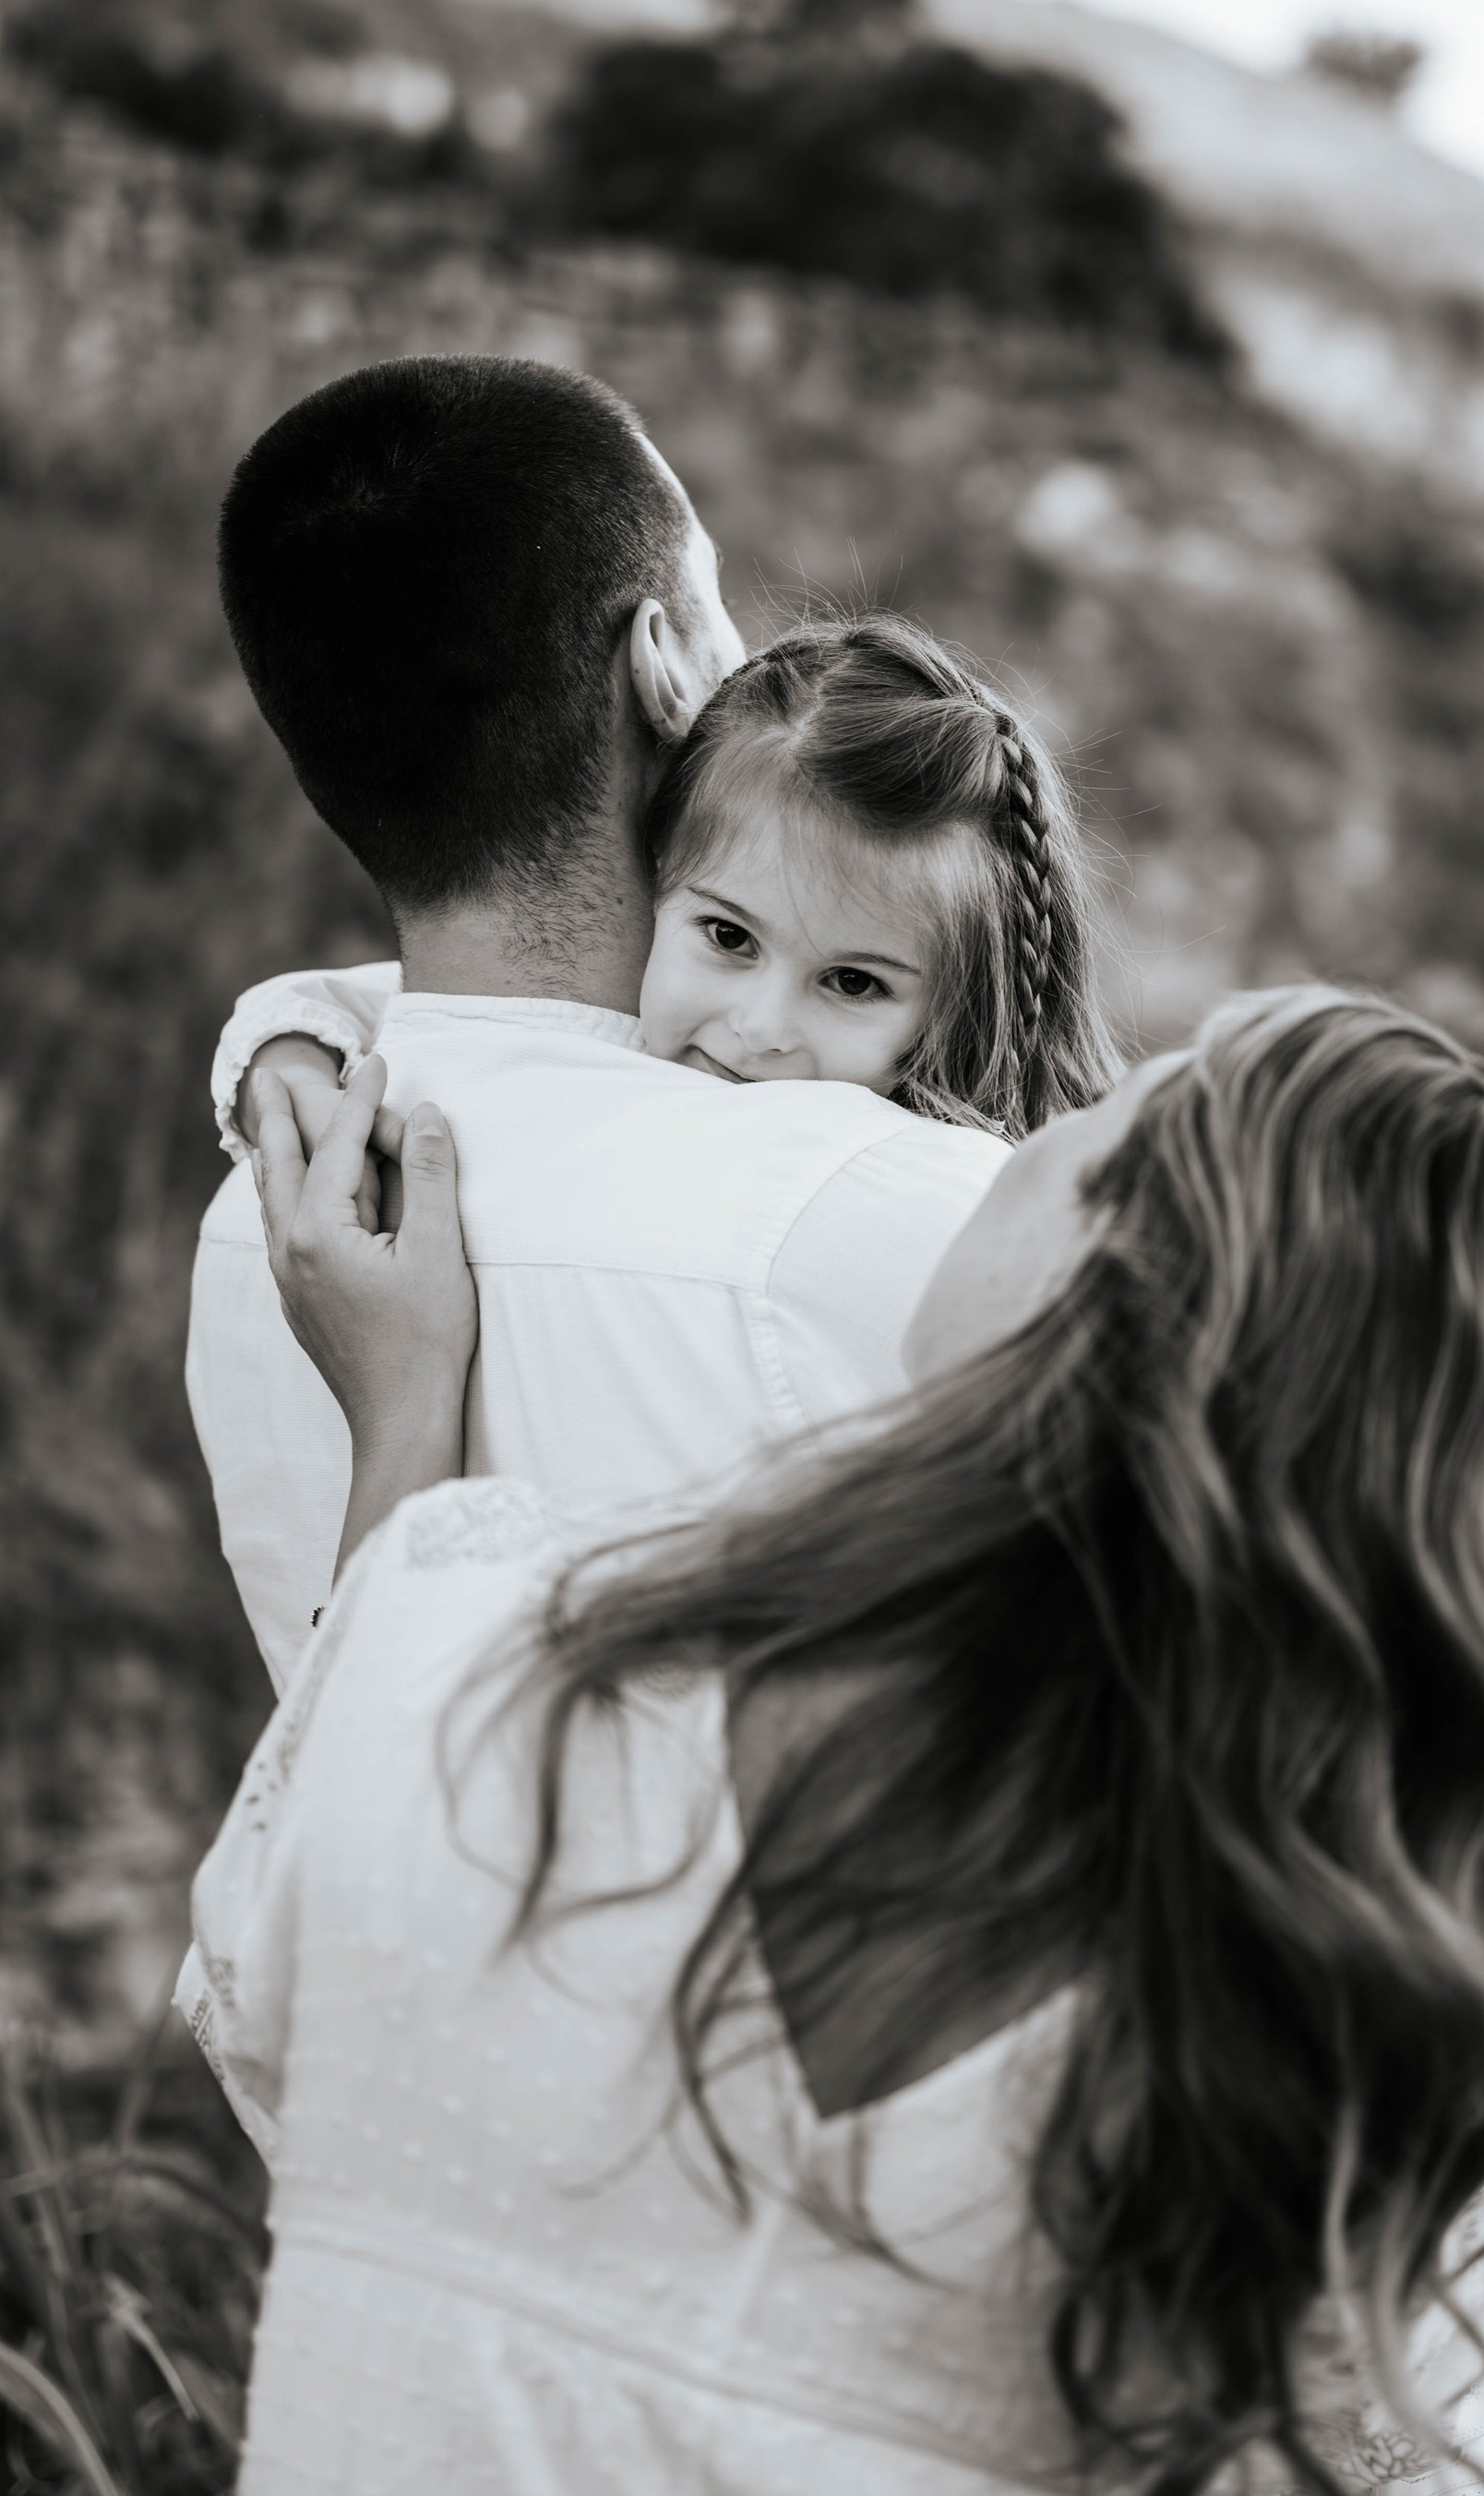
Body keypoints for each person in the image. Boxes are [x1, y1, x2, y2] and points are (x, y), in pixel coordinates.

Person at [185, 983, 1484, 2496]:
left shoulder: (460, 1653)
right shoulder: (1279, 2045)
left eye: (1118, 1112)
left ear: (1096, 1283)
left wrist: (402, 1413)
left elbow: (270, 2000)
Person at [191, 364, 1095, 1689]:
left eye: (853, 983)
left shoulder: (265, 1225)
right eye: (719, 600)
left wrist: (285, 1025)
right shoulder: (913, 1215)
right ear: (665, 664)